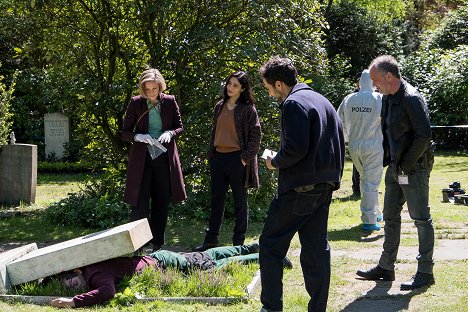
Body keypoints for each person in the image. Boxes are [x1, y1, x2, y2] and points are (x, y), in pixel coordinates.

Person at [258, 56, 345, 312]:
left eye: (268, 88)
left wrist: (274, 161)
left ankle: (271, 307)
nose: (270, 94)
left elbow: (295, 150)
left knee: (271, 245)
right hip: (325, 185)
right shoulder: (321, 99)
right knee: (315, 250)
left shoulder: (293, 103)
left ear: (278, 84)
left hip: (300, 188)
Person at [356, 55, 435, 290]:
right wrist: (392, 162)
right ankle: (386, 267)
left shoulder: (411, 98)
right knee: (390, 217)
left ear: (388, 76)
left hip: (414, 167)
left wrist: (406, 165)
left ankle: (425, 272)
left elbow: (424, 136)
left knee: (421, 219)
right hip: (395, 167)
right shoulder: (389, 98)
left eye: (375, 80)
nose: (373, 85)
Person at [49, 243, 261, 308]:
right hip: (158, 257)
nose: (77, 287)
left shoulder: (95, 273)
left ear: (77, 270)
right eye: (72, 288)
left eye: (74, 283)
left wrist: (73, 301)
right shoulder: (92, 261)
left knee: (211, 265)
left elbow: (107, 291)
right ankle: (249, 248)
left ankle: (264, 258)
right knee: (205, 254)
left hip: (165, 263)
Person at [193, 71, 261, 251]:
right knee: (217, 201)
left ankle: (238, 243)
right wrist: (211, 156)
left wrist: (245, 159)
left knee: (240, 202)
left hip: (238, 159)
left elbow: (256, 136)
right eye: (229, 84)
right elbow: (215, 132)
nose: (230, 88)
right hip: (218, 158)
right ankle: (211, 240)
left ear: (243, 88)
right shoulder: (219, 106)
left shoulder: (248, 108)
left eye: (235, 85)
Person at [121, 68, 186, 252]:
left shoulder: (170, 102)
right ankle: (138, 247)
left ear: (160, 87)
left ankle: (158, 246)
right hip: (142, 159)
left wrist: (170, 133)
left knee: (161, 202)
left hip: (163, 157)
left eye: (154, 89)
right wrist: (138, 137)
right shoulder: (135, 103)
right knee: (139, 203)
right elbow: (125, 132)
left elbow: (179, 127)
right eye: (147, 89)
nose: (151, 93)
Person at [337, 69, 384, 231]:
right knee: (371, 182)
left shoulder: (349, 99)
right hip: (374, 145)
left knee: (365, 179)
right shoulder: (379, 99)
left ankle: (375, 212)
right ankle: (369, 220)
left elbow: (339, 121)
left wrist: (342, 141)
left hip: (354, 146)